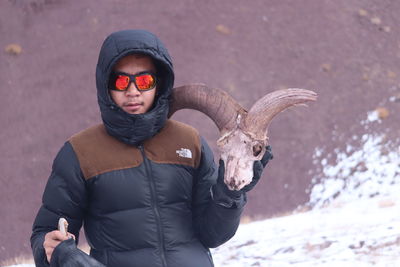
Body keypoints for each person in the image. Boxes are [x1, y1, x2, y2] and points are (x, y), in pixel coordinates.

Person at [30, 29, 273, 267]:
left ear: (160, 83)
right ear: (106, 84)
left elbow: (213, 235)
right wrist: (54, 252)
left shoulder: (190, 142)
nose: (133, 91)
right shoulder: (79, 152)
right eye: (121, 80)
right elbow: (46, 234)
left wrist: (231, 193)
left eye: (145, 81)